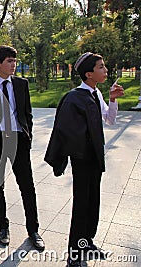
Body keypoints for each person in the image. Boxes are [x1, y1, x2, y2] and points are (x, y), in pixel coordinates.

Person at [44, 52, 124, 267]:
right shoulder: (74, 98)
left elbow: (109, 120)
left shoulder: (95, 94)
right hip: (82, 160)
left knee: (92, 203)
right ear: (89, 74)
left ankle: (87, 242)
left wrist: (113, 99)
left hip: (95, 158)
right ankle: (74, 253)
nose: (105, 70)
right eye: (101, 67)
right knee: (81, 205)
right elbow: (66, 131)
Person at [0, 45, 45, 250]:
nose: (14, 64)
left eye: (15, 61)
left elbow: (27, 114)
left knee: (27, 187)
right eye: (10, 61)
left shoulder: (22, 84)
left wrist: (28, 135)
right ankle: (2, 227)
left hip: (18, 142)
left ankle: (33, 230)